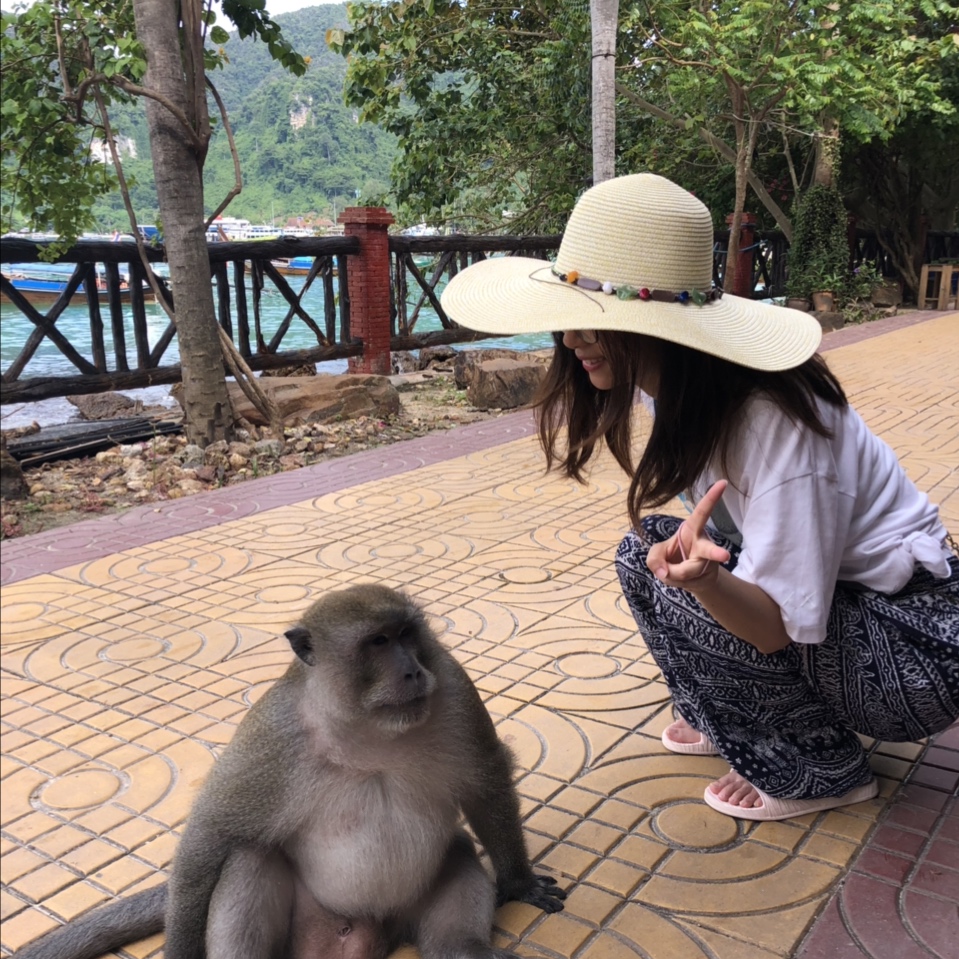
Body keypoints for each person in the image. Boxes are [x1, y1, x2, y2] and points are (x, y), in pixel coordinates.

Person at [440, 173, 959, 822]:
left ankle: (818, 769)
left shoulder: (773, 422)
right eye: (569, 323)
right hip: (855, 611)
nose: (571, 342)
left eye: (592, 325)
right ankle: (731, 719)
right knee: (645, 556)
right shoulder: (684, 386)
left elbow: (773, 626)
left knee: (693, 593)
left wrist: (710, 586)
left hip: (916, 651)